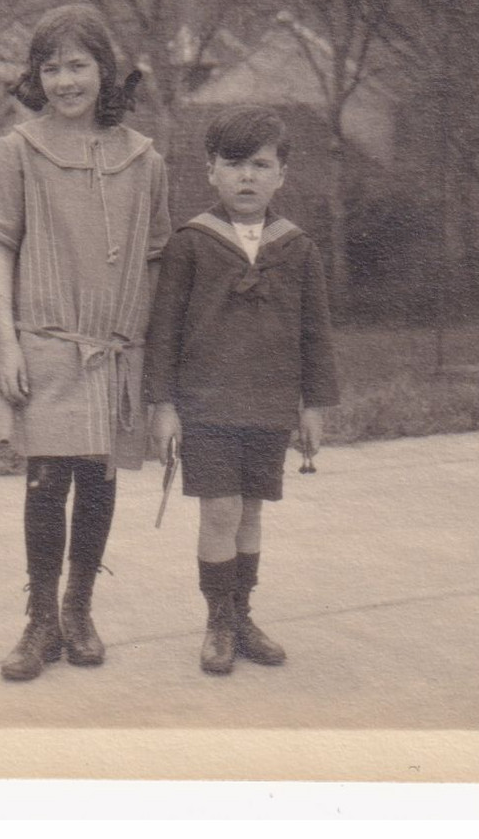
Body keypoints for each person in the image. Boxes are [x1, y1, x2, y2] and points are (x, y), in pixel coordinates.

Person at [0, 4, 170, 681]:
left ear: (104, 70)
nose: (63, 80)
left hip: (116, 349)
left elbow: (154, 261)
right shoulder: (15, 151)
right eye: (50, 67)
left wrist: (145, 352)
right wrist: (8, 345)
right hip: (46, 345)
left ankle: (79, 607)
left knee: (99, 479)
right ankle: (39, 620)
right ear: (35, 76)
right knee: (46, 479)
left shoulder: (144, 160)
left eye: (77, 65)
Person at [144, 105, 340, 675]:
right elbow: (164, 333)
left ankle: (243, 614)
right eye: (233, 165)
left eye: (261, 165)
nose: (247, 177)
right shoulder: (191, 244)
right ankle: (217, 623)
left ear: (282, 174)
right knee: (219, 512)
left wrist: (312, 406)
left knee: (252, 512)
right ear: (211, 172)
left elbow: (315, 333)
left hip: (269, 404)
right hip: (206, 408)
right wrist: (164, 406)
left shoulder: (298, 248)